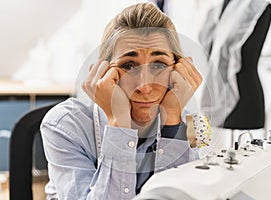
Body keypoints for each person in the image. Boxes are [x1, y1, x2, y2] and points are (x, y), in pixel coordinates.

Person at [41, 2, 202, 200]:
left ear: (179, 70)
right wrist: (118, 123)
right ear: (104, 72)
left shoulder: (195, 123)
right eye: (128, 65)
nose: (144, 86)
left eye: (159, 65)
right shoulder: (62, 124)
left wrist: (173, 123)